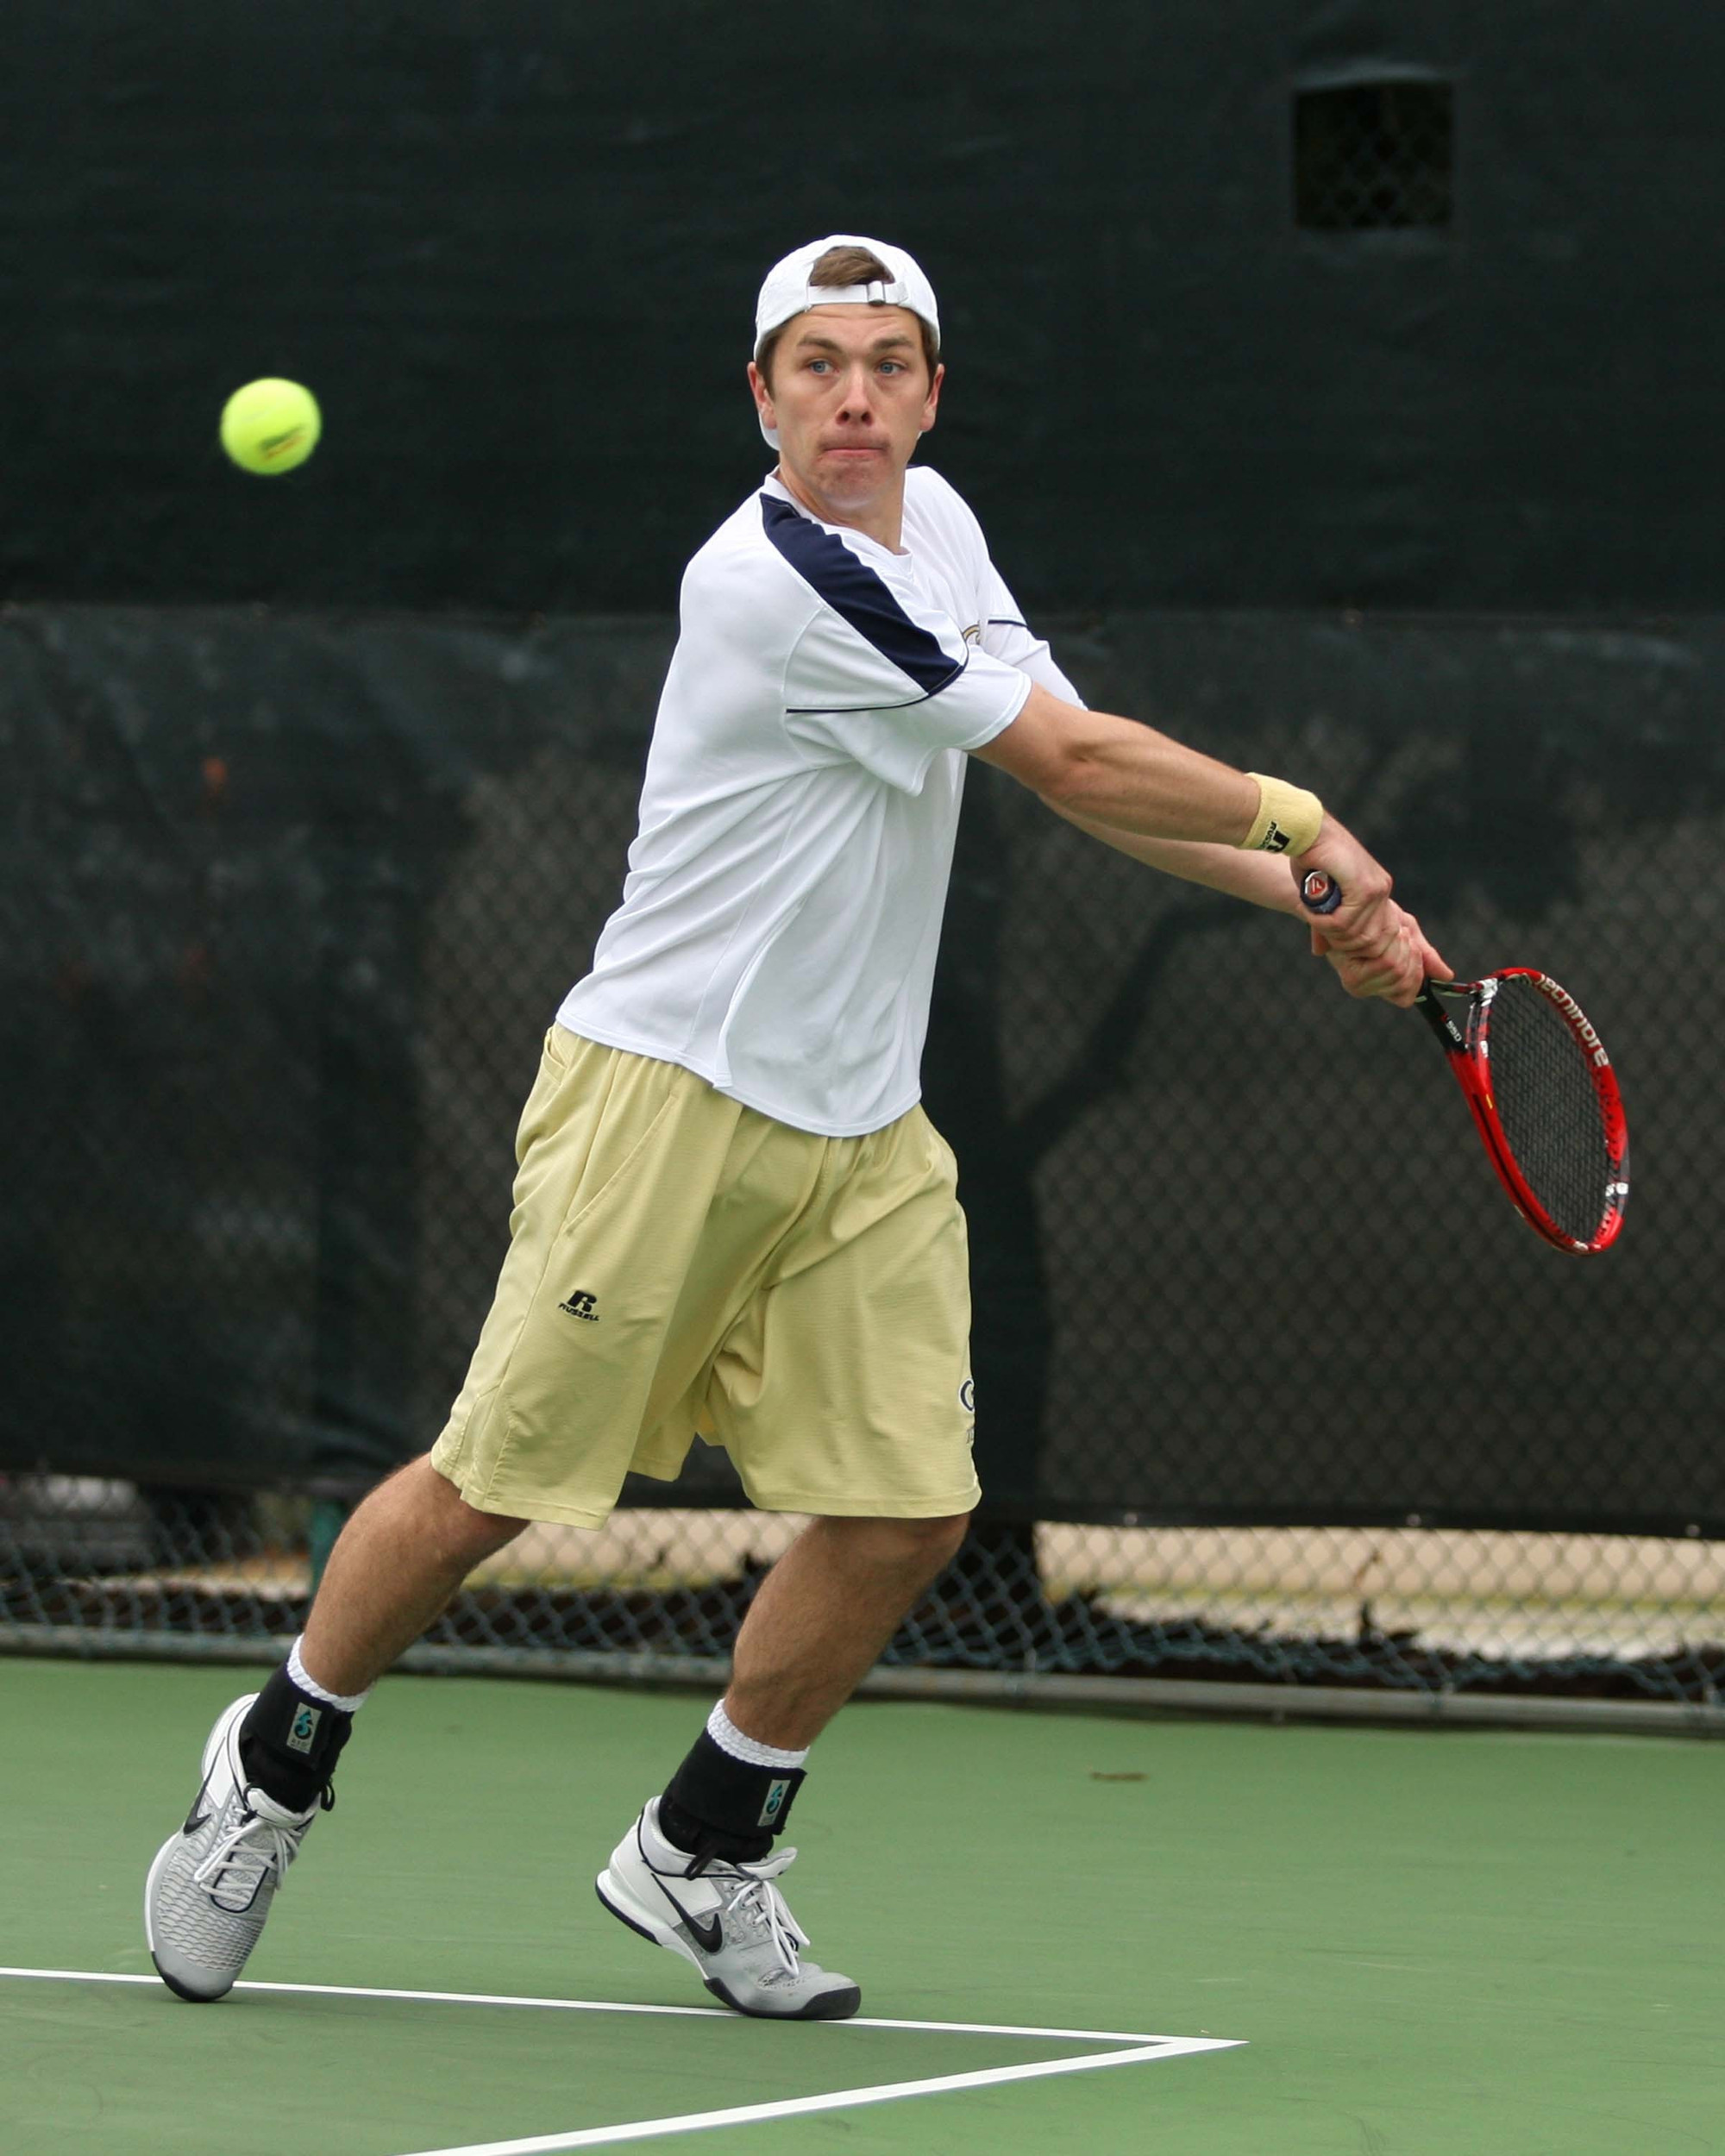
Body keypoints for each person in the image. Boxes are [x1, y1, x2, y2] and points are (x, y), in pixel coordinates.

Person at [144, 234, 1447, 2022]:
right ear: (759, 394)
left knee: (910, 1504)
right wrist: (1305, 820)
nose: (854, 395)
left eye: (889, 363)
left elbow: (1063, 757)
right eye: (817, 364)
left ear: (929, 390)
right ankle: (272, 1766)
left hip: (860, 1126)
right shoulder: (770, 576)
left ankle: (702, 1842)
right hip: (665, 1097)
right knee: (487, 1488)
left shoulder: (943, 529)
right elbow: (1077, 765)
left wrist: (1306, 901)